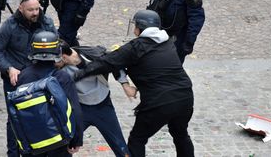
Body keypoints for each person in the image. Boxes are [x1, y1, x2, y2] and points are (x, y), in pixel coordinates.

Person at [74, 10, 195, 157]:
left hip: (159, 102)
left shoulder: (135, 47)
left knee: (137, 139)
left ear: (139, 28)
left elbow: (107, 62)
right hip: (185, 97)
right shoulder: (168, 42)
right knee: (181, 134)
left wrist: (78, 73)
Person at [0, 0, 57, 157]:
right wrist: (9, 68)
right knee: (15, 118)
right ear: (21, 9)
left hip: (40, 78)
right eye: (30, 10)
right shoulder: (10, 25)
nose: (35, 13)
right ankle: (13, 153)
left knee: (42, 113)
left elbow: (57, 46)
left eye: (37, 9)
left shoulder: (46, 22)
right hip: (15, 80)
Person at [57, 41, 134, 157]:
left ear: (63, 57)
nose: (53, 64)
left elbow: (115, 61)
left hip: (103, 107)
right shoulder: (59, 71)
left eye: (55, 60)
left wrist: (125, 85)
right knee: (64, 146)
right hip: (81, 109)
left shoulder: (93, 54)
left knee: (120, 147)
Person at [15, 31, 84, 156]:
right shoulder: (62, 77)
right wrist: (76, 140)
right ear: (57, 52)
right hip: (59, 139)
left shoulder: (24, 75)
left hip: (33, 139)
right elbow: (74, 108)